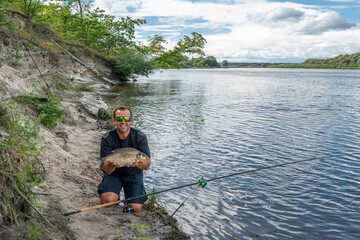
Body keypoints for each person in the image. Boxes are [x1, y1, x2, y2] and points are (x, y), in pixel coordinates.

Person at [97, 106, 151, 212]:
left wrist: (138, 164)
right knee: (107, 201)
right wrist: (112, 164)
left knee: (135, 208)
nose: (123, 122)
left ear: (131, 121)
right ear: (114, 121)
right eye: (119, 119)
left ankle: (130, 198)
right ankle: (116, 198)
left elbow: (147, 165)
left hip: (134, 175)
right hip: (114, 174)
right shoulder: (107, 138)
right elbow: (106, 170)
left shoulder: (140, 137)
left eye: (126, 119)